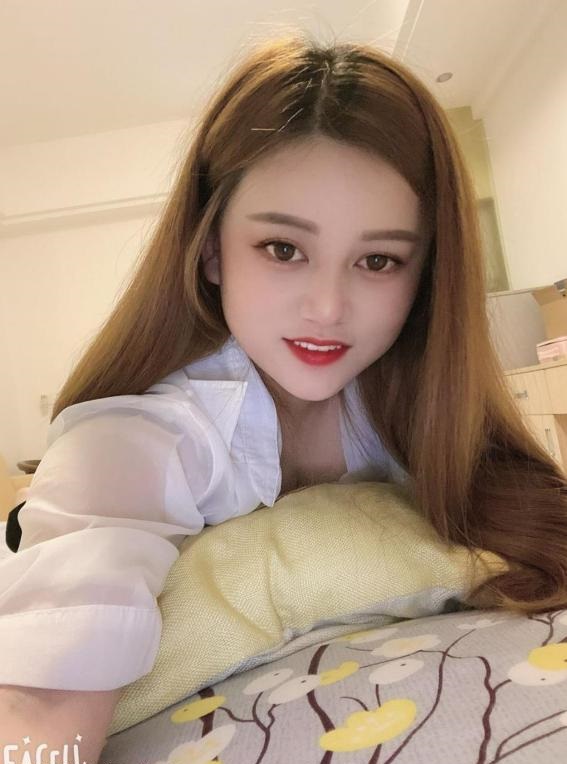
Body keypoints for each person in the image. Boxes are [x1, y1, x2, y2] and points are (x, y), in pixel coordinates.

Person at [1, 30, 566, 757]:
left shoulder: (421, 404)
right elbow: (39, 702)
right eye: (283, 249)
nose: (327, 308)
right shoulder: (135, 439)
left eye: (378, 260)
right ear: (210, 248)